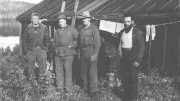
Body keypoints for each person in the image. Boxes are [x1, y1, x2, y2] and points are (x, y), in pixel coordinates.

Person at [116, 14, 145, 101]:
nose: (126, 23)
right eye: (125, 21)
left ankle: (133, 99)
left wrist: (138, 60)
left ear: (132, 22)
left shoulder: (138, 32)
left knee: (132, 79)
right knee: (125, 78)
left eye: (128, 21)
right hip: (124, 58)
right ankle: (127, 97)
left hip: (133, 58)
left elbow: (142, 48)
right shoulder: (121, 33)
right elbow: (119, 45)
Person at [78, 11, 101, 97]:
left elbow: (98, 43)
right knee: (83, 72)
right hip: (83, 51)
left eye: (85, 18)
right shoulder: (80, 29)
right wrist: (79, 53)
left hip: (91, 50)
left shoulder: (94, 28)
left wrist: (95, 54)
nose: (84, 20)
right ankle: (85, 88)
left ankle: (93, 91)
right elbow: (79, 43)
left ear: (89, 19)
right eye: (83, 18)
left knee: (92, 72)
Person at [54, 15, 78, 93]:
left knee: (67, 70)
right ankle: (59, 87)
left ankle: (68, 88)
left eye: (61, 21)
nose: (60, 23)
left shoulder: (72, 30)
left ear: (65, 21)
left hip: (68, 53)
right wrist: (55, 50)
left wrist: (72, 45)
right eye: (59, 22)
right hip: (58, 53)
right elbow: (54, 42)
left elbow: (78, 39)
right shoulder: (57, 31)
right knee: (58, 70)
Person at [22, 12, 50, 81]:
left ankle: (41, 83)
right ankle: (31, 84)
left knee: (42, 68)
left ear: (39, 19)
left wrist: (45, 49)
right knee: (30, 68)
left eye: (37, 18)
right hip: (31, 51)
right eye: (33, 18)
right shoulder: (28, 28)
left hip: (41, 50)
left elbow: (47, 39)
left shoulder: (44, 27)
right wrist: (26, 51)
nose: (35, 20)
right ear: (31, 19)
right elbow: (24, 40)